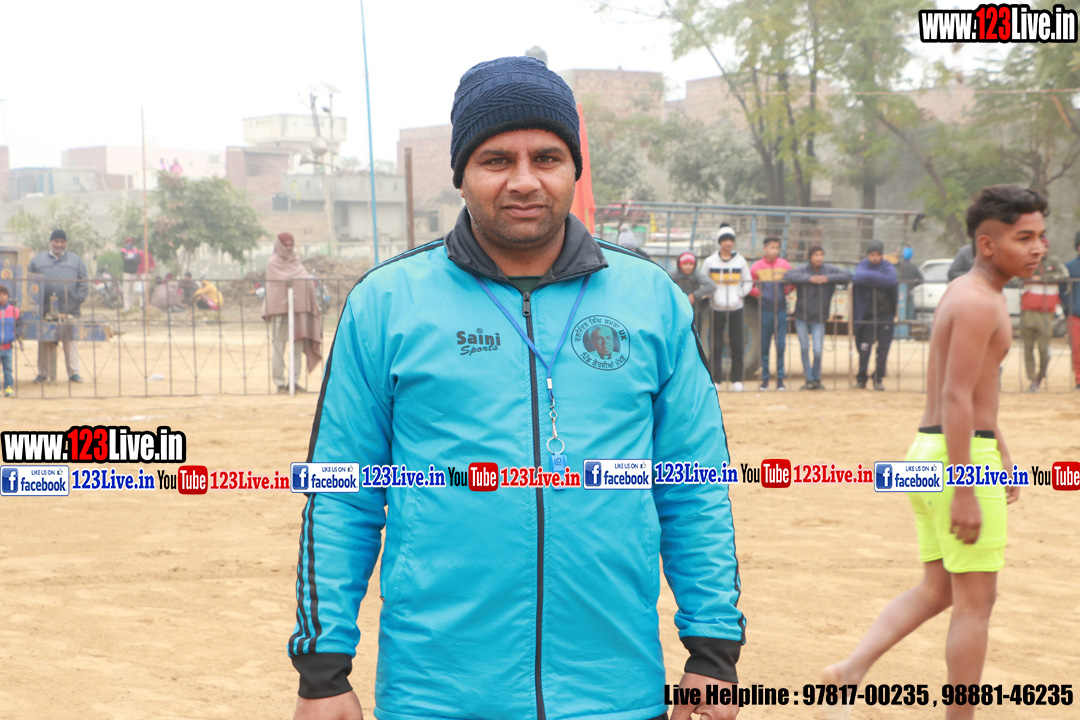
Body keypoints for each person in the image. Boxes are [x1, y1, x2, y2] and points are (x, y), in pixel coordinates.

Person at [289, 56, 743, 720]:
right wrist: (323, 673)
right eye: (497, 159)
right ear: (462, 174)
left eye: (547, 158)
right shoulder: (386, 303)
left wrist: (713, 654)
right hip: (438, 694)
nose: (524, 180)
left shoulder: (650, 299)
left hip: (613, 692)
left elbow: (694, 487)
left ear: (573, 169)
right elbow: (340, 494)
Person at [823, 185, 1046, 720]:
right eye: (1025, 238)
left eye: (1041, 236)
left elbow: (975, 391)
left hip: (931, 453)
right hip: (957, 459)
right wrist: (968, 486)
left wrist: (1002, 453)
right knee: (976, 606)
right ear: (987, 244)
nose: (1039, 248)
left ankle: (848, 672)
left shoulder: (969, 292)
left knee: (939, 589)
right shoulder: (978, 300)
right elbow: (956, 396)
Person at [262, 232, 323, 393]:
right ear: (279, 246)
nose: (289, 248)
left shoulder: (296, 262)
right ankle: (279, 383)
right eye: (286, 245)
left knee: (297, 347)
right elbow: (279, 285)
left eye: (291, 245)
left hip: (299, 311)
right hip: (280, 311)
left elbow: (305, 281)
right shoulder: (273, 263)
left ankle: (294, 382)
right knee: (279, 347)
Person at [786, 244, 850, 390]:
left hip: (819, 317)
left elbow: (847, 275)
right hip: (802, 315)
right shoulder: (803, 269)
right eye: (816, 255)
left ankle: (816, 378)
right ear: (810, 257)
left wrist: (827, 278)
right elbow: (788, 275)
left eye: (821, 254)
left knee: (818, 350)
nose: (819, 258)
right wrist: (810, 279)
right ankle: (809, 379)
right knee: (804, 348)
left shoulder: (829, 270)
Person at [28, 229, 87, 383]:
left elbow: (83, 283)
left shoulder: (76, 261)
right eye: (56, 241)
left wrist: (77, 299)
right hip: (44, 310)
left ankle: (74, 373)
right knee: (44, 341)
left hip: (69, 310)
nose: (59, 244)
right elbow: (28, 282)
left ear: (66, 243)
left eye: (62, 242)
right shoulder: (37, 260)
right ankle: (43, 373)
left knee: (70, 341)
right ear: (51, 242)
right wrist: (34, 303)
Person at [701, 224, 752, 392]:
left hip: (736, 308)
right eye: (725, 240)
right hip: (716, 308)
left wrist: (740, 295)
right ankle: (716, 379)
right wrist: (711, 296)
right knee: (715, 345)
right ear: (720, 242)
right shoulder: (710, 261)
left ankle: (737, 379)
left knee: (737, 344)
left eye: (731, 240)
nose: (728, 243)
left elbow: (748, 282)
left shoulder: (740, 261)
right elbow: (704, 280)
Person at [1019, 236, 1064, 392]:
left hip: (1046, 312)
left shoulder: (1054, 262)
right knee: (1028, 348)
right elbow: (1017, 277)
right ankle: (1032, 380)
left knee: (1044, 350)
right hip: (1028, 310)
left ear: (1047, 248)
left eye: (1043, 246)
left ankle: (1039, 377)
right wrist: (1029, 276)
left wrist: (1042, 278)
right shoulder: (1026, 261)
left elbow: (1063, 275)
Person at [853, 240, 898, 390]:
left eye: (878, 254)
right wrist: (879, 279)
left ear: (882, 255)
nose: (875, 257)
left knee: (883, 349)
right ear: (868, 255)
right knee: (864, 348)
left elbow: (891, 280)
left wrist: (870, 279)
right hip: (867, 315)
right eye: (872, 254)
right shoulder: (862, 265)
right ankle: (861, 379)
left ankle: (878, 379)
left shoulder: (888, 267)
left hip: (886, 314)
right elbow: (858, 277)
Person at [750, 235, 792, 391]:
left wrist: (786, 291)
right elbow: (749, 285)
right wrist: (758, 294)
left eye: (777, 248)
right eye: (772, 247)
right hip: (765, 309)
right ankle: (765, 380)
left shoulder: (785, 265)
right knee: (764, 346)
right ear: (765, 248)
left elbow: (791, 283)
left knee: (780, 346)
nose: (775, 251)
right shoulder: (757, 267)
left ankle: (780, 380)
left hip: (781, 309)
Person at [669, 251, 715, 336]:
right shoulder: (673, 274)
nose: (688, 267)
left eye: (691, 264)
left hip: (695, 312)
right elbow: (665, 285)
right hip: (677, 311)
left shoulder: (696, 274)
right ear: (679, 264)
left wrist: (694, 295)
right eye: (685, 264)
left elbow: (711, 285)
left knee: (695, 335)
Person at [1061, 232, 1080, 390]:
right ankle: (1079, 380)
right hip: (1076, 315)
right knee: (1077, 349)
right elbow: (1062, 290)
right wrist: (1070, 305)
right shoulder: (1069, 267)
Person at [119, 236, 154, 311]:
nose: (129, 244)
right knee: (126, 290)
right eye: (128, 242)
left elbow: (138, 261)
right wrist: (133, 259)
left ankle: (132, 307)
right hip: (127, 273)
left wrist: (131, 259)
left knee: (132, 290)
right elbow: (125, 260)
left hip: (134, 273)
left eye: (131, 242)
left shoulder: (136, 251)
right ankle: (126, 307)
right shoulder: (123, 250)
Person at [0, 284, 20, 396]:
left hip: (8, 347)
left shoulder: (14, 310)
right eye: (0, 295)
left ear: (8, 296)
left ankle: (8, 388)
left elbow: (20, 324)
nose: (2, 297)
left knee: (8, 369)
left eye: (4, 294)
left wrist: (15, 335)